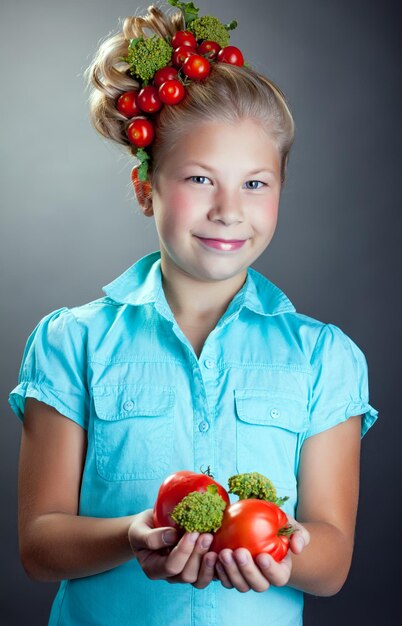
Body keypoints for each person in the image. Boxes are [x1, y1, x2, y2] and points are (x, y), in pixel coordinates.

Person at [8, 2, 379, 625]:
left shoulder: (324, 358)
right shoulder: (71, 341)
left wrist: (284, 555)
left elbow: (333, 559)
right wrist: (129, 533)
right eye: (201, 179)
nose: (229, 210)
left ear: (281, 189)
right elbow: (39, 547)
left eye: (255, 184)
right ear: (145, 186)